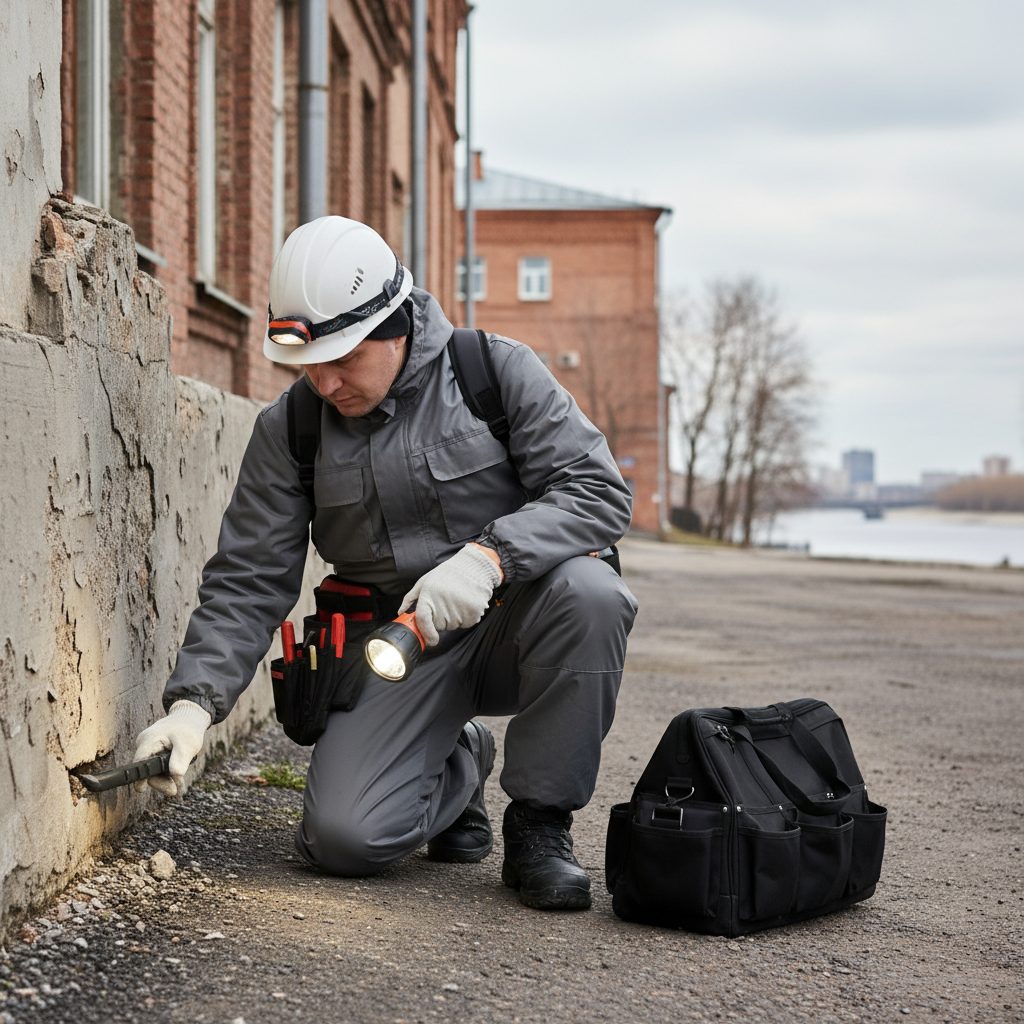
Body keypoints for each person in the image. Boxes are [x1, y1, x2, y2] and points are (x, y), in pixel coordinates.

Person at [133, 216, 637, 910]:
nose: (325, 381)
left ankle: (540, 825)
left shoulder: (492, 372)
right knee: (342, 841)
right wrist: (194, 705)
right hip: (395, 649)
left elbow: (599, 491)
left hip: (516, 628)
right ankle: (460, 759)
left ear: (395, 326)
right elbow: (250, 577)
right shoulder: (293, 430)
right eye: (309, 363)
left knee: (593, 593)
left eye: (343, 359)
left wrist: (491, 557)